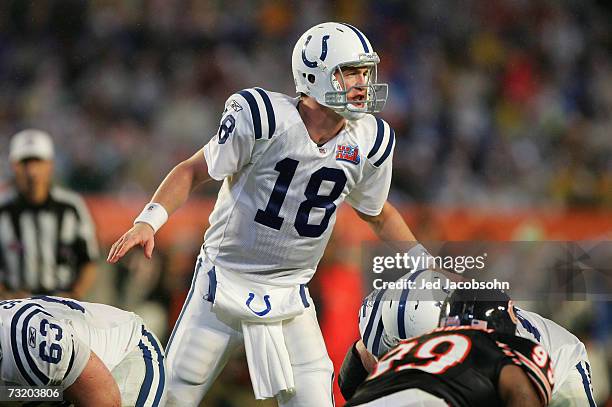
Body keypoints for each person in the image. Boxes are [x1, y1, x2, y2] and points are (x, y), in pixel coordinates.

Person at [107, 21, 429, 406]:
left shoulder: (369, 140)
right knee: (173, 395)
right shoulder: (262, 118)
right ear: (315, 75)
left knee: (314, 397)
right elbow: (193, 170)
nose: (362, 83)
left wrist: (421, 261)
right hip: (222, 284)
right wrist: (149, 220)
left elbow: (377, 213)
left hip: (290, 293)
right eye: (349, 73)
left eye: (365, 72)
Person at [342, 273, 595, 406]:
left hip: (559, 367)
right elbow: (355, 373)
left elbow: (519, 393)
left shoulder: (501, 342)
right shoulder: (390, 312)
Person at [0, 295, 166, 406]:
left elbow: (106, 401)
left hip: (122, 357)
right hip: (62, 386)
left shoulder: (28, 341)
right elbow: (29, 393)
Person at [0, 129, 99, 300]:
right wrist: (6, 295)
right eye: (25, 163)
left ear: (50, 165)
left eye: (37, 162)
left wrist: (74, 295)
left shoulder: (70, 206)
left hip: (61, 305)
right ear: (14, 166)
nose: (32, 171)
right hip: (13, 307)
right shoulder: (3, 209)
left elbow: (89, 260)